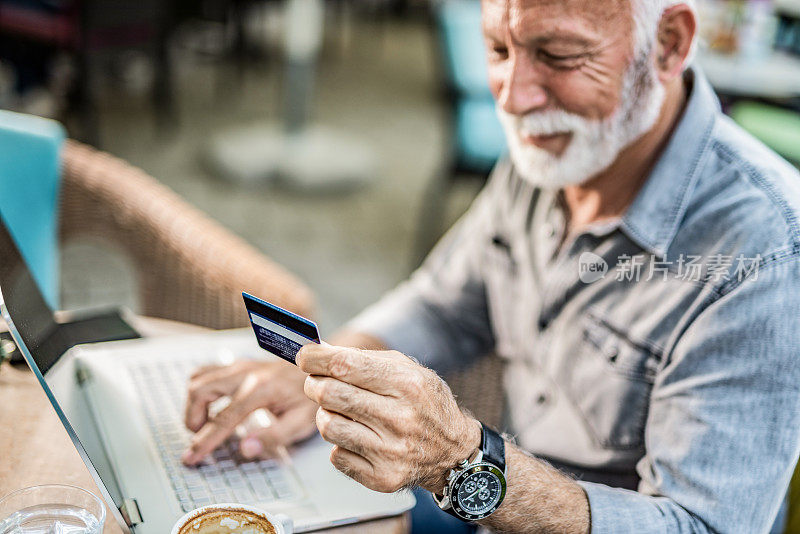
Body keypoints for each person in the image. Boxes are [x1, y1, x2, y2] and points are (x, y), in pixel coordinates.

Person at [182, 0, 800, 531]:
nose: (512, 97)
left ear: (668, 45)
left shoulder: (767, 255)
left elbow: (699, 526)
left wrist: (463, 463)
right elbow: (447, 302)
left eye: (558, 56)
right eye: (498, 47)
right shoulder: (559, 139)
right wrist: (333, 374)